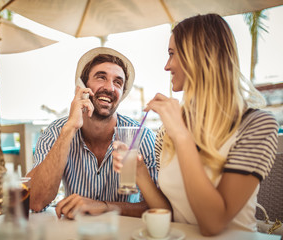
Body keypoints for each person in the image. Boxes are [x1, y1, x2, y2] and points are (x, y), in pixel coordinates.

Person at [113, 14, 279, 236]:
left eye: (172, 54)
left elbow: (213, 223)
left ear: (200, 56)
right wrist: (140, 173)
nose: (166, 66)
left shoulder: (256, 125)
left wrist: (182, 136)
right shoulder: (167, 132)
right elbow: (170, 214)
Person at [27, 47, 157, 219]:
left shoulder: (142, 137)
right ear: (82, 86)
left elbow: (158, 207)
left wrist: (104, 207)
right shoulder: (56, 132)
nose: (110, 87)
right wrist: (70, 128)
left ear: (122, 93)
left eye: (118, 82)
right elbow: (36, 201)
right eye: (101, 77)